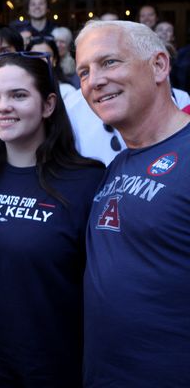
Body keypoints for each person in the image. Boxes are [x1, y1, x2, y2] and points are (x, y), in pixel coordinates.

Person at [0, 51, 105, 387]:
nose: (2, 106)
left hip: (65, 370)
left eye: (18, 95)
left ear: (48, 105)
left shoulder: (88, 181)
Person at [74, 20, 190, 386]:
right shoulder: (118, 164)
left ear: (159, 65)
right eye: (83, 72)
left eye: (109, 62)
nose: (94, 81)